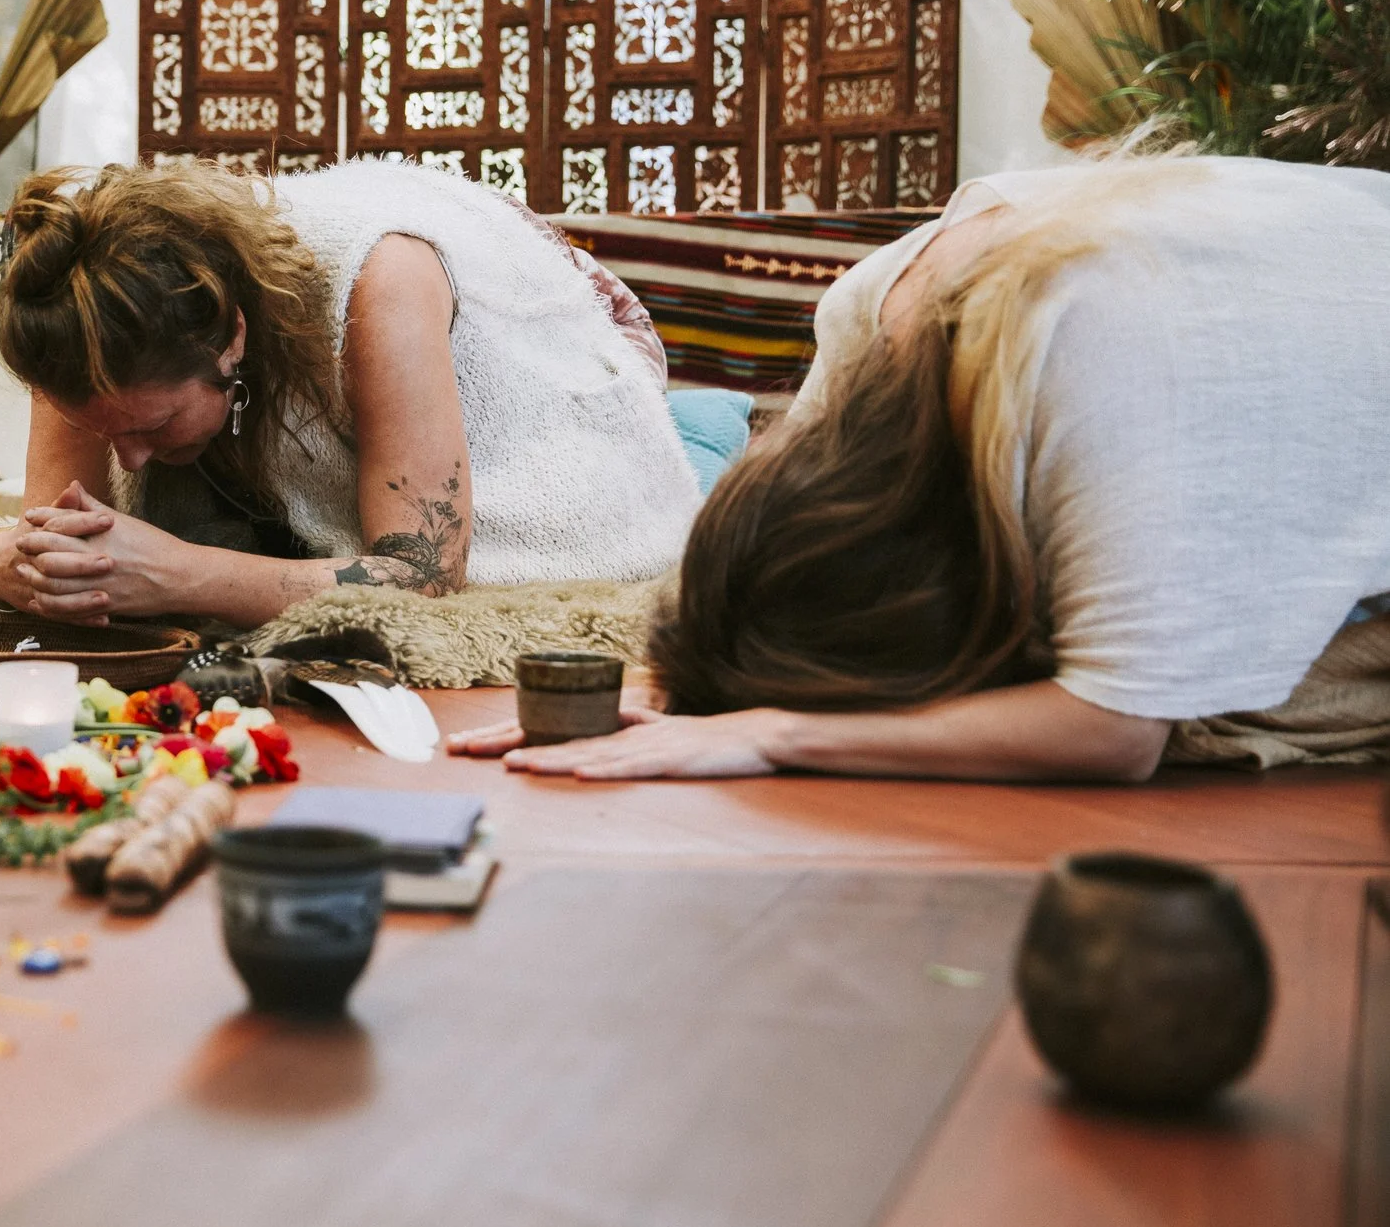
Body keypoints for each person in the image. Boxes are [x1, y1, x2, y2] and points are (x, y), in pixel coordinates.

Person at [456, 154, 1390, 783]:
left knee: (1206, 696)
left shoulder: (1094, 374)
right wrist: (667, 687)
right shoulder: (874, 312)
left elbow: (1116, 730)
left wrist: (778, 733)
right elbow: (753, 579)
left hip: (1294, 315)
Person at [0, 156, 699, 629]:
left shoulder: (377, 280)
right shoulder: (80, 325)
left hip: (569, 371)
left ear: (231, 338)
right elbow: (50, 549)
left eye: (155, 424)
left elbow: (423, 574)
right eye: (107, 431)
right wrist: (6, 562)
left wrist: (179, 576)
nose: (129, 461)